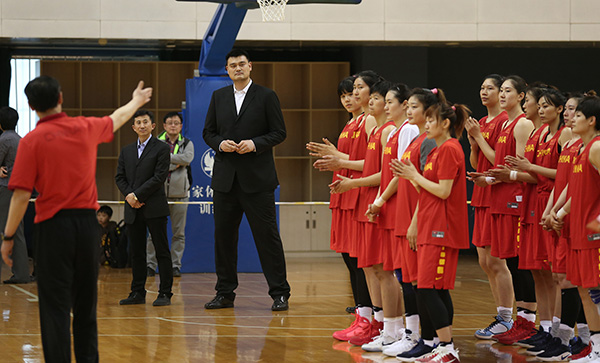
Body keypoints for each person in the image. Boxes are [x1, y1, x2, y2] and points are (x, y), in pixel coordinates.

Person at [0, 75, 152, 362]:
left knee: (54, 305)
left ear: (31, 106)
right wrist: (137, 99)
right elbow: (118, 117)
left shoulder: (31, 141)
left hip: (51, 227)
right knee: (85, 304)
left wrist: (8, 238)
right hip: (86, 226)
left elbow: (21, 195)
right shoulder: (84, 127)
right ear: (60, 98)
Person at [202, 49, 291, 311]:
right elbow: (208, 132)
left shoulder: (266, 96)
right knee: (224, 240)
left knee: (267, 237)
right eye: (233, 65)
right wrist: (220, 144)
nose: (238, 68)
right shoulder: (218, 97)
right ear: (227, 70)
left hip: (258, 181)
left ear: (250, 66)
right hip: (225, 181)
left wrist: (254, 144)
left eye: (242, 64)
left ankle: (280, 292)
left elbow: (279, 132)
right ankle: (225, 293)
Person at [394, 93, 471, 363]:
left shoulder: (450, 148)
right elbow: (428, 191)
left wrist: (414, 176)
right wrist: (411, 178)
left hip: (443, 228)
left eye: (431, 120)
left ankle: (446, 347)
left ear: (446, 123)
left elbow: (444, 191)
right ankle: (441, 345)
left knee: (428, 288)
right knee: (432, 288)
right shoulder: (437, 150)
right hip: (429, 224)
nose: (426, 125)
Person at [465, 75, 513, 340]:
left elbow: (499, 161)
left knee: (496, 260)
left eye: (490, 88)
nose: (484, 92)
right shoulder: (482, 122)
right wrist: (474, 142)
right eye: (482, 87)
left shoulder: (507, 122)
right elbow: (477, 160)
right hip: (482, 192)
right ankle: (500, 317)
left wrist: (479, 138)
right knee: (484, 260)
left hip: (498, 192)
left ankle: (507, 318)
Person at [116, 109, 173, 307]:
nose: (142, 125)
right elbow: (120, 178)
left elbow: (159, 177)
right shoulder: (126, 150)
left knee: (162, 251)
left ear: (152, 126)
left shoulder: (162, 148)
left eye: (145, 122)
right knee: (136, 252)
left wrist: (137, 195)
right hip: (133, 208)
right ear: (133, 127)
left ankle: (165, 292)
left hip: (154, 207)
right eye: (138, 122)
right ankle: (137, 292)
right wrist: (130, 197)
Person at [146, 111, 194, 278]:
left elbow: (187, 159)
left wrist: (166, 159)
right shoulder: (155, 142)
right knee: (154, 233)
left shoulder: (187, 143)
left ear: (181, 126)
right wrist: (175, 162)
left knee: (178, 234)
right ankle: (150, 265)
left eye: (176, 123)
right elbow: (152, 163)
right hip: (158, 195)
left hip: (180, 196)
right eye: (170, 123)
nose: (173, 125)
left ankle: (175, 266)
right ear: (164, 126)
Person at [0, 107, 32, 284]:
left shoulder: (4, 139)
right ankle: (21, 272)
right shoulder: (20, 139)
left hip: (6, 189)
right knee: (15, 230)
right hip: (19, 188)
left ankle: (21, 274)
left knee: (9, 231)